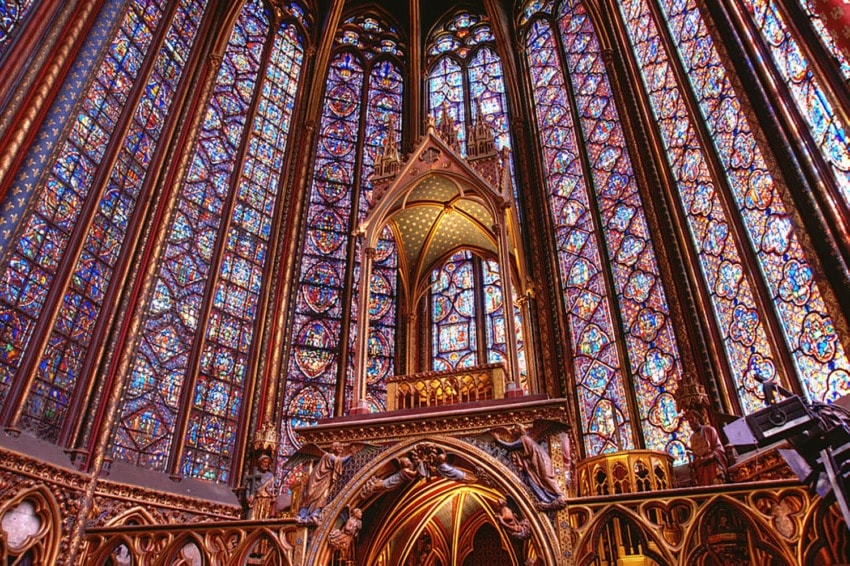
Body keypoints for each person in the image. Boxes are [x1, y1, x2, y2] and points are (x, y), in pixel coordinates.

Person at [494, 424, 566, 508]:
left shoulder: (524, 438)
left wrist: (498, 440)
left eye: (515, 428)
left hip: (541, 460)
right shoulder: (523, 440)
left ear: (520, 430)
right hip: (533, 464)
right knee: (532, 480)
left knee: (546, 477)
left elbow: (510, 446)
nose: (513, 430)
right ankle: (544, 499)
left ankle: (559, 495)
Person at [297, 442, 349, 524]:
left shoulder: (334, 457)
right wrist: (351, 455)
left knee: (323, 496)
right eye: (339, 447)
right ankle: (304, 514)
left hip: (325, 480)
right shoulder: (328, 456)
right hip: (318, 480)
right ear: (334, 448)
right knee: (312, 496)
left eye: (342, 448)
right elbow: (340, 460)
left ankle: (314, 514)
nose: (341, 449)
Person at [684, 408, 728, 486]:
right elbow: (696, 453)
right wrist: (693, 463)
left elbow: (718, 448)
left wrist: (710, 457)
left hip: (712, 465)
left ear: (697, 418)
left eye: (692, 419)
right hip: (701, 469)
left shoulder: (709, 430)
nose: (691, 422)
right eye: (689, 421)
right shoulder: (692, 438)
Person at [245, 453, 276, 519]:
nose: (265, 464)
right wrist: (248, 497)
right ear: (260, 463)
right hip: (256, 499)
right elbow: (248, 487)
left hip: (266, 501)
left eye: (267, 463)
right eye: (264, 462)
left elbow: (272, 489)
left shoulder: (270, 476)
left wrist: (272, 495)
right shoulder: (255, 474)